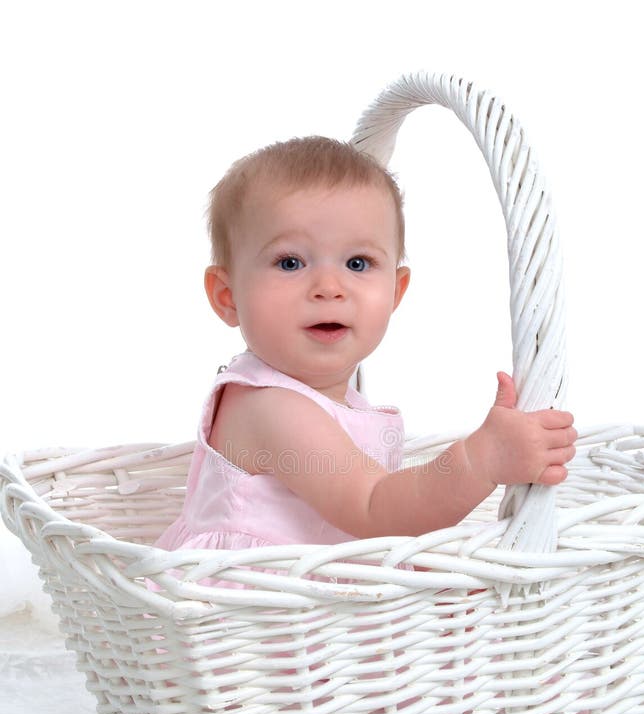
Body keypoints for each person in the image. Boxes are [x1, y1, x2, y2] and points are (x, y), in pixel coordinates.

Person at [155, 136, 576, 567]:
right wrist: (480, 460)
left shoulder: (324, 397)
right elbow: (377, 508)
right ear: (228, 297)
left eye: (357, 263)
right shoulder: (270, 407)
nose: (329, 288)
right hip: (254, 621)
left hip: (317, 609)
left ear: (395, 291)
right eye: (290, 263)